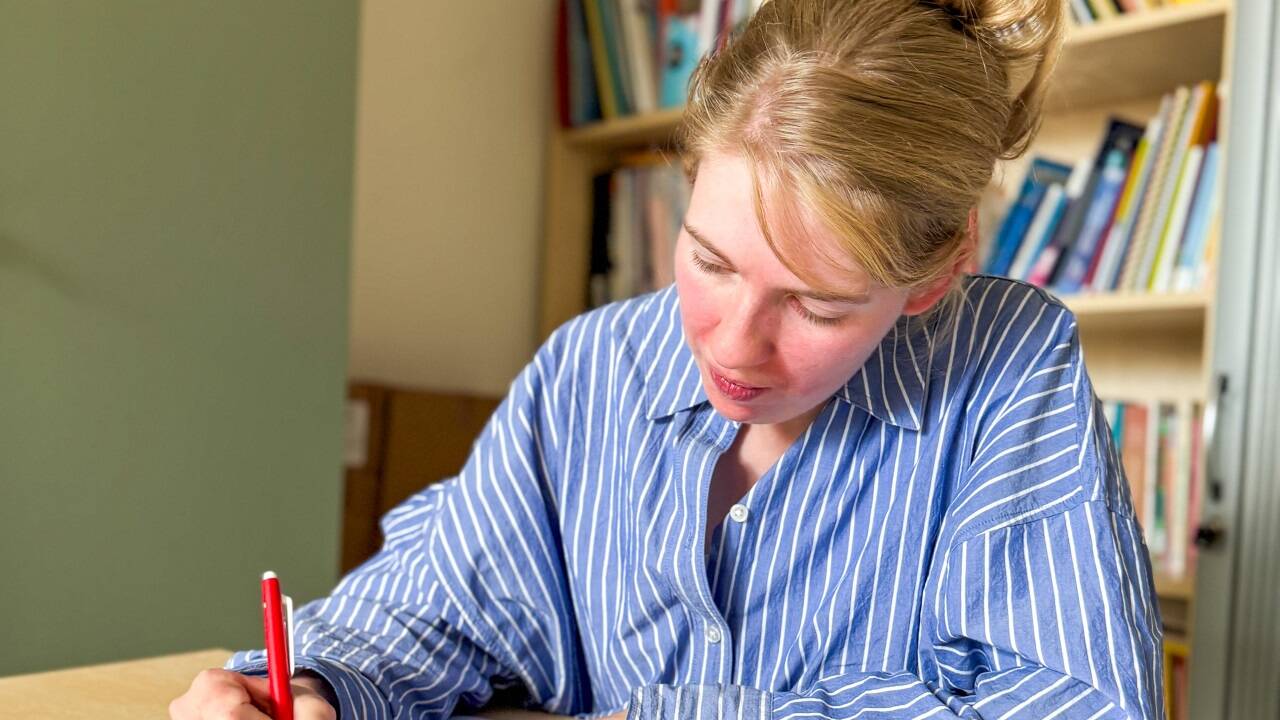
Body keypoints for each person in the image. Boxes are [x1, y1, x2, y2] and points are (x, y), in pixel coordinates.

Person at [170, 0, 1165, 717]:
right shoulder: (594, 366)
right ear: (683, 192)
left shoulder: (1005, 365)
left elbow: (1068, 704)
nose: (734, 346)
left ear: (933, 277)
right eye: (709, 261)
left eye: (816, 303)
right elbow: (438, 600)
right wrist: (311, 684)